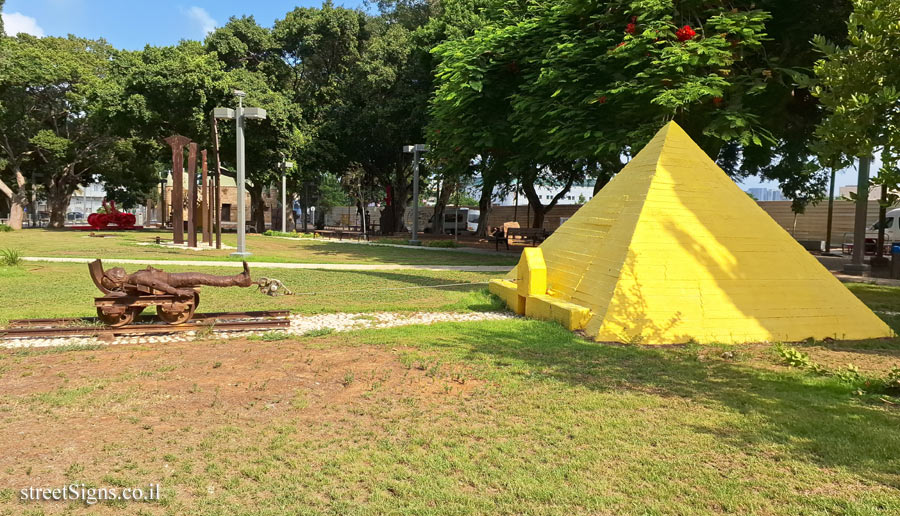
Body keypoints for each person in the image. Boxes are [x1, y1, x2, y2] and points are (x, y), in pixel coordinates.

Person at [101, 261, 253, 297]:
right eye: (114, 271)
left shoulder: (135, 276)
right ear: (116, 279)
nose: (115, 268)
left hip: (173, 278)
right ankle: (240, 280)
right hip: (173, 280)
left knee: (205, 277)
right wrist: (177, 292)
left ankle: (240, 279)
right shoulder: (137, 277)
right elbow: (158, 284)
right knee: (206, 278)